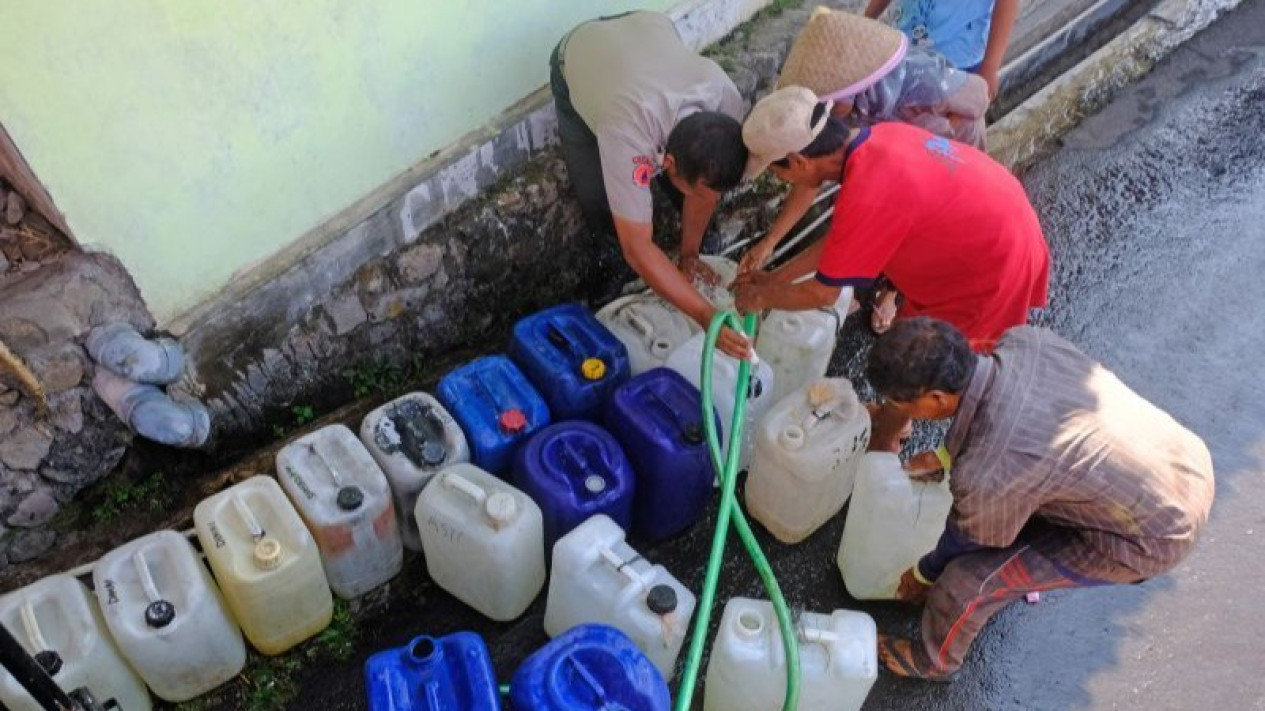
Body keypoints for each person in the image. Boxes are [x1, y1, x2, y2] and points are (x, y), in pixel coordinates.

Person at [863, 318, 1215, 681]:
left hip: (1152, 535)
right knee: (1008, 513)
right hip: (1184, 458)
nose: (900, 411)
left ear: (936, 398)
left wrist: (925, 572)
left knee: (968, 580)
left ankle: (934, 661)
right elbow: (990, 410)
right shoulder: (1025, 342)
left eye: (900, 403)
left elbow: (970, 538)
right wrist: (945, 455)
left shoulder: (989, 471)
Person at [733, 86, 1048, 353]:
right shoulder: (877, 138)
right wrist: (776, 279)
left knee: (924, 360)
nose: (786, 183)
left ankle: (898, 425)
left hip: (994, 261)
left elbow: (822, 293)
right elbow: (843, 243)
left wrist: (760, 297)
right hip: (1005, 216)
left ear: (798, 162)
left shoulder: (868, 191)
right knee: (908, 341)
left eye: (779, 174)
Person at [738, 6, 991, 319]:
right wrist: (771, 248)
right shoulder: (848, 128)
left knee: (919, 254)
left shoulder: (914, 85)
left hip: (950, 167)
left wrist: (763, 296)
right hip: (916, 172)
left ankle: (895, 291)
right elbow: (821, 194)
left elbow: (824, 291)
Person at [550, 11, 752, 359]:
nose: (707, 200)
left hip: (646, 25)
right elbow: (638, 247)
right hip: (581, 50)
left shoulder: (725, 101)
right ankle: (607, 263)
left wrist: (689, 255)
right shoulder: (625, 128)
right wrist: (705, 314)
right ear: (665, 163)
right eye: (699, 192)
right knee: (597, 197)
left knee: (693, 194)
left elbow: (706, 194)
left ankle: (690, 243)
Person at [864, 0, 1020, 101]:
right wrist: (865, 22)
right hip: (898, 48)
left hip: (953, 63)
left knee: (941, 138)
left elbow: (1007, 4)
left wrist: (990, 67)